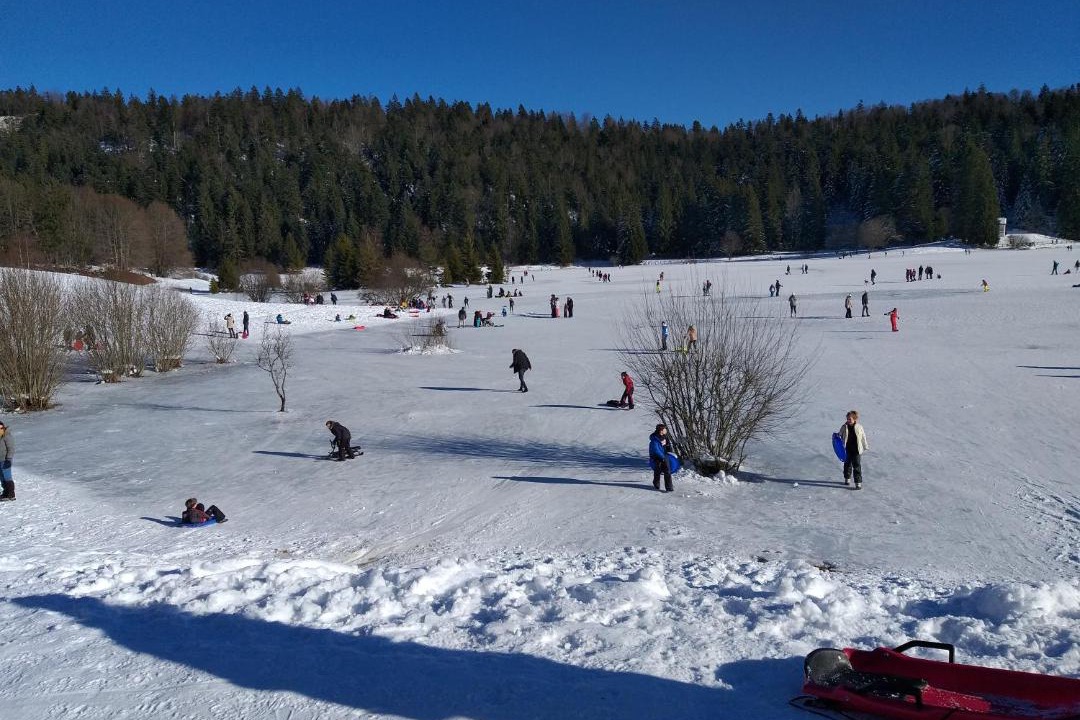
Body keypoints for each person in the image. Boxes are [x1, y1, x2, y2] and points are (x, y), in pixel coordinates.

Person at [838, 410, 868, 490]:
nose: (848, 420)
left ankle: (858, 483)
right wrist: (836, 437)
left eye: (850, 419)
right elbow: (839, 435)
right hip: (847, 450)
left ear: (855, 419)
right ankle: (847, 478)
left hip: (856, 450)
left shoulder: (859, 427)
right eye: (847, 419)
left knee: (857, 466)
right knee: (847, 465)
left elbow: (863, 437)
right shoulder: (844, 427)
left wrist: (865, 446)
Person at [649, 424, 674, 492]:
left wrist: (670, 453)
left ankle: (669, 488)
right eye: (665, 429)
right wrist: (662, 457)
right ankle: (656, 483)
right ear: (661, 430)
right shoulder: (655, 439)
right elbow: (656, 450)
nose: (666, 430)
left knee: (667, 471)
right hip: (657, 457)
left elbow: (668, 445)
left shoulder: (665, 437)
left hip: (665, 456)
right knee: (658, 471)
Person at [0, 421, 14, 501]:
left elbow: (11, 448)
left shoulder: (6, 435)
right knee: (2, 477)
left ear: (3, 427)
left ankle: (11, 494)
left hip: (5, 460)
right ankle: (5, 493)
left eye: (1, 428)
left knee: (7, 477)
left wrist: (8, 459)